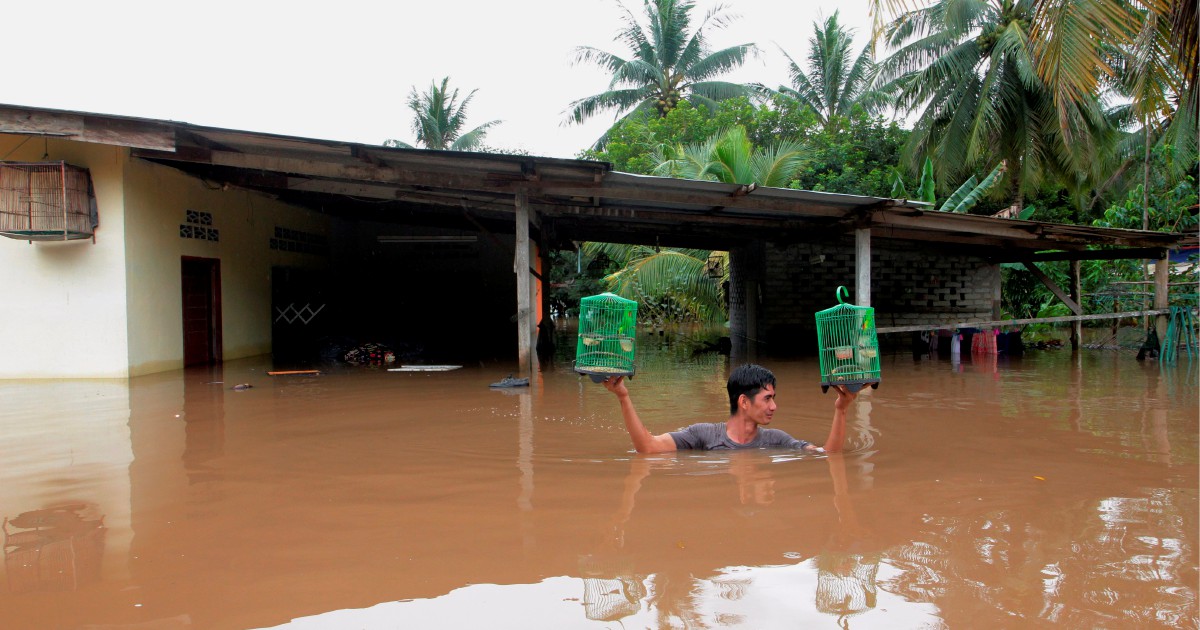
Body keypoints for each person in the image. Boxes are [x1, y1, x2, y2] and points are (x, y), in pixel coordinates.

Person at [601, 363, 857, 454]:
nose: (774, 406)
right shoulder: (703, 435)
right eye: (767, 399)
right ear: (744, 402)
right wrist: (623, 397)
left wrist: (841, 409)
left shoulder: (776, 440)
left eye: (773, 398)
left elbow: (828, 455)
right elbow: (648, 448)